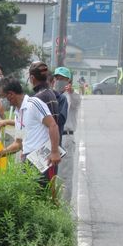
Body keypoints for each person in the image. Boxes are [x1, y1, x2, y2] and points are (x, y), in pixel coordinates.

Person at [0, 77, 61, 185]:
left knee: (43, 196)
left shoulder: (33, 104)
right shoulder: (18, 112)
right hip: (28, 160)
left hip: (43, 158)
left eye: (1, 96)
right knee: (29, 197)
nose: (0, 100)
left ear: (10, 95)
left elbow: (53, 125)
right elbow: (18, 144)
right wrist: (0, 154)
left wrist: (55, 152)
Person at [54, 66, 81, 201]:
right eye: (57, 78)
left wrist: (71, 91)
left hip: (66, 137)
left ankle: (64, 209)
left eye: (63, 79)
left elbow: (76, 102)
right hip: (52, 137)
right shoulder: (51, 94)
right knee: (52, 174)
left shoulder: (71, 95)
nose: (59, 81)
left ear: (69, 81)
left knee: (65, 175)